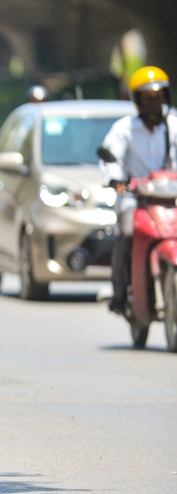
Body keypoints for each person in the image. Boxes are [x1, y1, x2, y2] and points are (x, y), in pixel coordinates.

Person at [100, 66, 177, 314]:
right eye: (148, 97)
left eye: (159, 96)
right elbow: (110, 157)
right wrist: (117, 180)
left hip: (170, 198)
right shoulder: (124, 129)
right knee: (128, 230)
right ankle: (120, 290)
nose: (155, 102)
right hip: (137, 198)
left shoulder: (173, 125)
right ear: (137, 100)